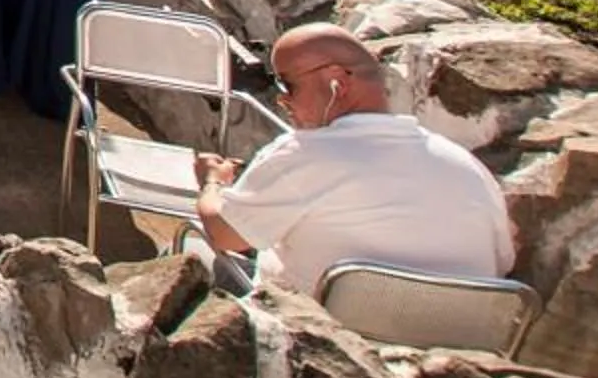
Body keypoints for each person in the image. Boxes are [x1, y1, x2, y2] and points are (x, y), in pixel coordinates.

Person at [191, 23, 514, 297]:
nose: (282, 100)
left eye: (287, 84)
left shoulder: (305, 154)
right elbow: (503, 262)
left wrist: (213, 181)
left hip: (317, 342)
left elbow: (226, 234)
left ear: (337, 82)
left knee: (191, 258)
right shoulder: (466, 166)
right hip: (448, 351)